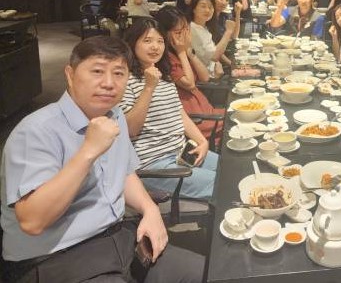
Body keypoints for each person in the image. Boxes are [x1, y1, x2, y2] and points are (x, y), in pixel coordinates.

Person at [0, 36, 203, 283]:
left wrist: (150, 210)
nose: (108, 83)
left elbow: (125, 173)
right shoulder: (36, 130)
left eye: (118, 73)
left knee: (209, 273)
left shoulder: (114, 115)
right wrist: (88, 151)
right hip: (56, 257)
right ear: (70, 75)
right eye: (97, 71)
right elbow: (33, 221)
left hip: (119, 239)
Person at [121, 19, 218, 199]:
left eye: (160, 41)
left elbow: (179, 114)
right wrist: (149, 87)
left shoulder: (164, 76)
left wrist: (202, 142)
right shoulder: (125, 80)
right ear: (132, 43)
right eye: (147, 41)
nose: (155, 47)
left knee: (232, 170)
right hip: (153, 164)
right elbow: (131, 129)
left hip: (182, 152)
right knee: (224, 184)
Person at [156, 6, 225, 148]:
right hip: (196, 119)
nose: (184, 35)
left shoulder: (180, 51)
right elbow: (190, 84)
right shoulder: (167, 58)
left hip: (206, 109)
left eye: (186, 29)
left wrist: (189, 52)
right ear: (164, 34)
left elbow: (205, 77)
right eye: (178, 32)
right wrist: (182, 52)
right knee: (237, 119)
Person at [188, 0, 235, 76]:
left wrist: (224, 63)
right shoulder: (192, 29)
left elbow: (213, 52)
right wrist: (228, 32)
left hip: (214, 72)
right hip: (206, 78)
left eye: (210, 7)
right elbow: (214, 56)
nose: (207, 10)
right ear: (193, 9)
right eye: (203, 6)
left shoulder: (204, 27)